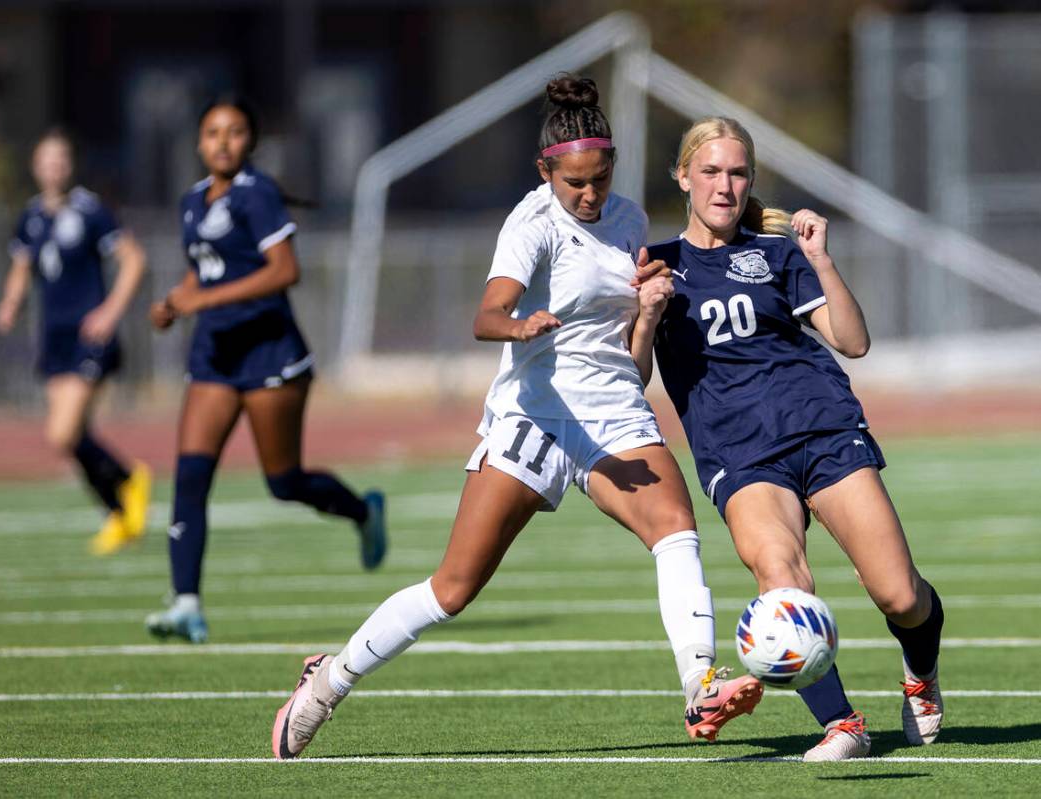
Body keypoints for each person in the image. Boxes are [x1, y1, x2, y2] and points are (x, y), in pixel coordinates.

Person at [271, 77, 763, 761]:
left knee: (676, 530)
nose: (589, 195)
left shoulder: (625, 221)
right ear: (546, 171)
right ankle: (325, 683)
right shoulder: (532, 225)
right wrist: (518, 323)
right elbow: (485, 315)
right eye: (576, 184)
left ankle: (699, 683)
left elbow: (631, 358)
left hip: (614, 413)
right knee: (452, 589)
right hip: (534, 419)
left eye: (600, 178)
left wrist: (648, 310)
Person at [640, 116, 945, 762]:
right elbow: (634, 376)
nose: (725, 185)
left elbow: (853, 342)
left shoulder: (777, 253)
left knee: (900, 594)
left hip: (822, 427)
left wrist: (821, 260)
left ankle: (920, 673)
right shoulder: (656, 266)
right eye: (711, 171)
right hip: (740, 455)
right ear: (683, 176)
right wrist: (644, 313)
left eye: (738, 172)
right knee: (780, 581)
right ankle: (843, 725)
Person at [144, 96, 387, 645]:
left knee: (284, 481)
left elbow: (285, 270)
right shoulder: (192, 201)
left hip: (271, 355)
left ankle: (362, 512)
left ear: (249, 141)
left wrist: (204, 301)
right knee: (189, 476)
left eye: (234, 132)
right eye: (212, 133)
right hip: (214, 357)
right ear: (199, 143)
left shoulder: (258, 196)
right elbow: (201, 276)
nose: (222, 142)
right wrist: (173, 302)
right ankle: (186, 603)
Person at [0, 129, 151, 555]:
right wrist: (10, 302)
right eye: (46, 160)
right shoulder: (30, 217)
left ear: (70, 165)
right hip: (55, 337)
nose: (54, 167)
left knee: (63, 432)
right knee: (69, 436)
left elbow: (134, 260)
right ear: (35, 166)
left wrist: (110, 312)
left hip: (90, 337)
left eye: (61, 159)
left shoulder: (90, 211)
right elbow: (22, 266)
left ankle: (126, 482)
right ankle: (119, 509)